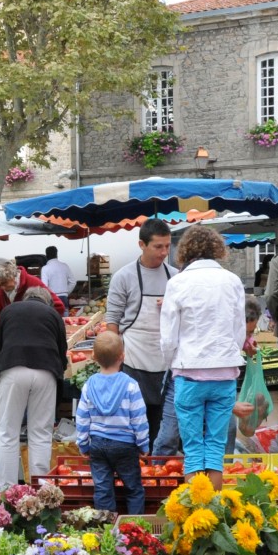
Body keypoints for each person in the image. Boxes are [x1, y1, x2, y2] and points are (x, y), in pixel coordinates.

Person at [160, 225, 245, 489]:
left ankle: (197, 513)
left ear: (185, 251)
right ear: (216, 250)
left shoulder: (177, 283)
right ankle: (215, 512)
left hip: (189, 371)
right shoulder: (232, 281)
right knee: (216, 449)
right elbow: (239, 330)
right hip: (224, 373)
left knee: (193, 448)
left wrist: (171, 362)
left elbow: (168, 337)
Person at [105, 218, 177, 446]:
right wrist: (113, 364)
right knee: (135, 420)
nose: (164, 252)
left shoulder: (176, 277)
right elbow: (113, 322)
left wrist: (172, 306)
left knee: (163, 425)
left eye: (167, 246)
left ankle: (157, 468)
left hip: (167, 362)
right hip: (133, 360)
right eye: (158, 246)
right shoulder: (123, 277)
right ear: (141, 245)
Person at [0, 287, 67, 490]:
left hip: (12, 368)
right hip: (46, 371)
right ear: (47, 302)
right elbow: (62, 353)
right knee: (41, 433)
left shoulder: (9, 310)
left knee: (8, 432)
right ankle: (40, 488)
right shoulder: (53, 315)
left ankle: (6, 490)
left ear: (26, 298)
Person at [75, 331, 149, 514]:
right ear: (122, 357)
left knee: (102, 489)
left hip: (98, 444)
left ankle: (106, 530)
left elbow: (82, 418)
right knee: (133, 489)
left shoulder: (88, 385)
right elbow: (139, 418)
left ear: (93, 357)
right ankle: (134, 528)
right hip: (125, 445)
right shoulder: (131, 385)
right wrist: (143, 445)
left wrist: (83, 445)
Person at [0, 257, 65, 323]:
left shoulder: (33, 282)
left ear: (12, 274)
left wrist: (34, 321)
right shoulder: (2, 289)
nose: (2, 288)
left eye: (4, 283)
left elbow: (59, 307)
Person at [40, 245, 76, 313]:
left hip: (52, 299)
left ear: (46, 256)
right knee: (65, 322)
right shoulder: (64, 266)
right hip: (64, 298)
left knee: (53, 321)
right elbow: (73, 282)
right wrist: (66, 292)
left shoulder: (45, 269)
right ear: (57, 254)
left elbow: (44, 286)